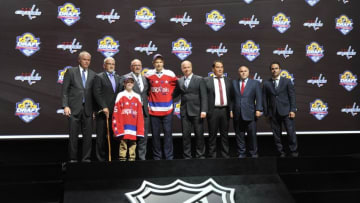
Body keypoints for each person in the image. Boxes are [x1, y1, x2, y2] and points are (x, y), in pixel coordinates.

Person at [62, 51, 96, 163]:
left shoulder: (93, 74)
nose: (87, 62)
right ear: (79, 60)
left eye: (89, 60)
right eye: (84, 59)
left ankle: (86, 159)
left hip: (88, 110)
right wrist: (65, 105)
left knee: (88, 137)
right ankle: (72, 159)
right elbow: (65, 91)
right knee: (73, 136)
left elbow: (94, 94)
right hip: (74, 109)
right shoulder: (71, 72)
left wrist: (94, 110)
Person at [145, 54, 178, 160]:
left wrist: (170, 96)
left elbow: (176, 86)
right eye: (156, 62)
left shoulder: (170, 73)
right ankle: (157, 157)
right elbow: (145, 89)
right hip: (153, 110)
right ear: (153, 63)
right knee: (155, 135)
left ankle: (169, 157)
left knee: (168, 134)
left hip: (167, 110)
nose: (158, 64)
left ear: (163, 63)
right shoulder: (148, 74)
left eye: (160, 62)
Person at [263, 62, 298, 157]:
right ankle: (280, 152)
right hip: (273, 113)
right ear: (270, 70)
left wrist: (292, 110)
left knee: (291, 133)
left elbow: (292, 96)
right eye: (272, 69)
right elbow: (264, 99)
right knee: (276, 135)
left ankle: (293, 151)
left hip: (287, 112)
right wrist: (266, 113)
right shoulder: (266, 83)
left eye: (276, 68)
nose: (274, 70)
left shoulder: (287, 81)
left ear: (280, 69)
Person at [174, 60, 207, 159]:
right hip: (184, 112)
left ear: (191, 68)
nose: (186, 69)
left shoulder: (199, 79)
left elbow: (204, 96)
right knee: (185, 136)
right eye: (184, 67)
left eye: (188, 67)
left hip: (197, 111)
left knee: (199, 135)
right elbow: (174, 94)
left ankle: (200, 155)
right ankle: (187, 156)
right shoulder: (179, 81)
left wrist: (204, 110)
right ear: (182, 69)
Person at [93, 57, 122, 162]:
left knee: (115, 137)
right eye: (109, 64)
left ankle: (113, 159)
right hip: (103, 113)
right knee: (101, 138)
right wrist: (103, 106)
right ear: (104, 65)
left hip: (115, 114)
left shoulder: (119, 78)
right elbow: (97, 93)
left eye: (113, 64)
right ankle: (101, 160)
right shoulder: (99, 77)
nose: (111, 66)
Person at [231, 66, 262, 158]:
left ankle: (253, 153)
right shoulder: (234, 83)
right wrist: (231, 110)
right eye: (241, 71)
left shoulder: (255, 83)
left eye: (245, 71)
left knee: (252, 135)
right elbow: (231, 98)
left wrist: (258, 109)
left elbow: (259, 98)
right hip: (237, 113)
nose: (243, 73)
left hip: (250, 113)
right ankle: (241, 153)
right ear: (238, 72)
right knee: (239, 135)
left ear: (248, 72)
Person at [204, 60, 232, 158]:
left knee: (225, 135)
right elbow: (204, 97)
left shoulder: (229, 80)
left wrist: (231, 110)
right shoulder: (206, 80)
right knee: (212, 135)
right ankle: (212, 156)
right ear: (213, 69)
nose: (220, 69)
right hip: (213, 111)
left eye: (221, 67)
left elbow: (231, 97)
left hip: (225, 111)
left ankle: (225, 155)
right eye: (217, 67)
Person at [122, 59, 149, 160]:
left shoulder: (145, 79)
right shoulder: (125, 78)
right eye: (135, 65)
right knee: (130, 136)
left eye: (139, 65)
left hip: (144, 112)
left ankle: (142, 159)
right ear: (131, 67)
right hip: (131, 112)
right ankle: (130, 159)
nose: (137, 67)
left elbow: (146, 94)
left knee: (143, 137)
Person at [112, 77, 144, 161]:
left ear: (133, 84)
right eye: (127, 82)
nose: (129, 84)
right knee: (123, 143)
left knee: (133, 143)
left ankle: (132, 159)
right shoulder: (120, 95)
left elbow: (140, 113)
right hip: (123, 124)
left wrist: (139, 127)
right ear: (124, 84)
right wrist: (118, 126)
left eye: (131, 82)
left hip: (133, 125)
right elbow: (116, 111)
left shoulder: (137, 96)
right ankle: (122, 159)